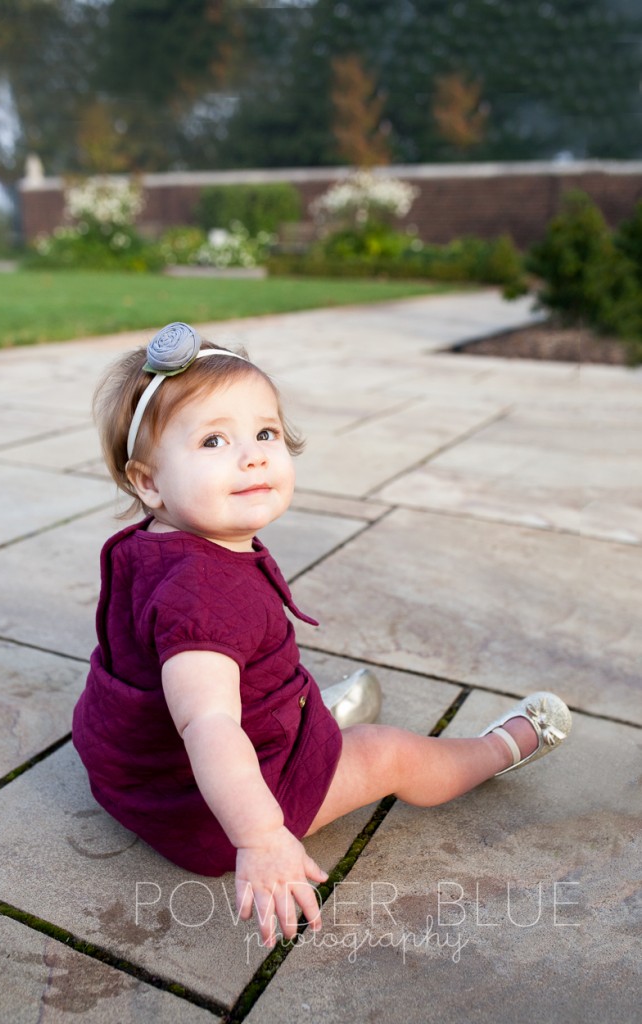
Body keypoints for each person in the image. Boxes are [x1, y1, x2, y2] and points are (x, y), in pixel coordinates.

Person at [72, 322, 572, 950]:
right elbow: (210, 725)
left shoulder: (152, 546)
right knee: (388, 753)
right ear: (148, 482)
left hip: (127, 775)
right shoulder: (204, 601)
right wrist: (260, 837)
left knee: (243, 685)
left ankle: (301, 719)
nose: (252, 454)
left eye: (265, 433)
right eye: (213, 440)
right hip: (205, 816)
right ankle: (496, 751)